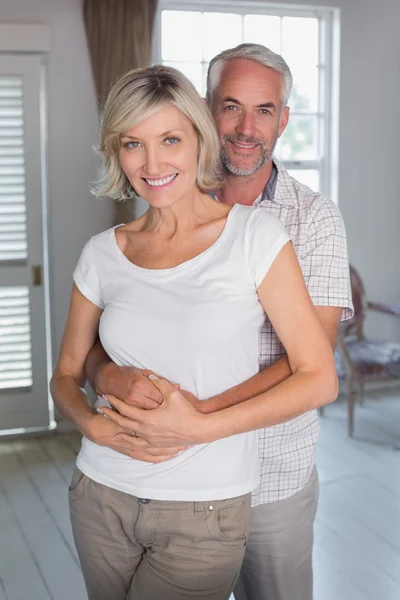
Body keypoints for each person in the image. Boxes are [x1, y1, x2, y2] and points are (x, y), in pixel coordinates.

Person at [50, 64, 337, 600]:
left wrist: (198, 427)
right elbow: (66, 374)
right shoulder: (102, 254)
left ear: (197, 140)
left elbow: (318, 377)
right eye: (134, 143)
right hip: (100, 495)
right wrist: (91, 425)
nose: (153, 163)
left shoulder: (255, 236)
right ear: (117, 152)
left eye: (171, 139)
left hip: (206, 507)